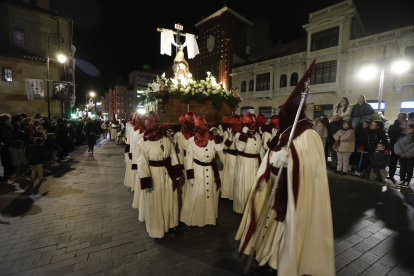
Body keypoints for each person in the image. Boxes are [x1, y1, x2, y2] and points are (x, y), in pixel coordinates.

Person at [236, 59, 334, 275]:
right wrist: (273, 163)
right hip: (276, 187)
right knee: (272, 225)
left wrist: (291, 161)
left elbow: (310, 167)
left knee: (288, 229)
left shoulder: (308, 135)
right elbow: (271, 155)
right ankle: (271, 256)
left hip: (294, 193)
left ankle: (283, 261)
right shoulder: (285, 132)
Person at [136, 111, 182, 238]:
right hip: (154, 175)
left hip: (168, 174)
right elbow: (142, 163)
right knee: (155, 201)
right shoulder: (143, 143)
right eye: (151, 123)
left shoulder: (166, 140)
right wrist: (146, 180)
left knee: (170, 199)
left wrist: (176, 174)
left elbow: (173, 156)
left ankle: (171, 224)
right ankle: (157, 229)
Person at [180, 117, 224, 227]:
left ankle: (209, 218)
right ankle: (196, 220)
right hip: (198, 171)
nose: (203, 128)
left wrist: (216, 135)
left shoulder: (212, 139)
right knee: (198, 196)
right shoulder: (191, 141)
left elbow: (220, 148)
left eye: (205, 126)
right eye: (200, 126)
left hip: (211, 170)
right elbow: (189, 160)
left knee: (210, 194)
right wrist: (190, 177)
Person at [233, 112, 263, 214]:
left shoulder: (257, 135)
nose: (252, 126)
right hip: (244, 164)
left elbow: (260, 150)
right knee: (244, 186)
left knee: (253, 186)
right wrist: (244, 134)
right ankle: (242, 209)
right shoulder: (239, 134)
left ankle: (252, 209)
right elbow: (240, 148)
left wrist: (263, 164)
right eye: (249, 123)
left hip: (255, 163)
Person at [388, 113, 407, 180]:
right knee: (393, 161)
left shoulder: (408, 126)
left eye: (403, 117)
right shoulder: (393, 126)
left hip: (405, 147)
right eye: (400, 117)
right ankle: (391, 175)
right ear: (398, 118)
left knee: (404, 163)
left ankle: (403, 178)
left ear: (405, 118)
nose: (402, 118)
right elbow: (391, 135)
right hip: (394, 146)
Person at [0, 113, 16, 178]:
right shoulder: (2, 127)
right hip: (6, 146)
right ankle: (8, 174)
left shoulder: (9, 126)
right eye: (9, 118)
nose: (10, 120)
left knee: (10, 159)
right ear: (6, 119)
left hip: (10, 144)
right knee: (7, 160)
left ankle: (11, 172)